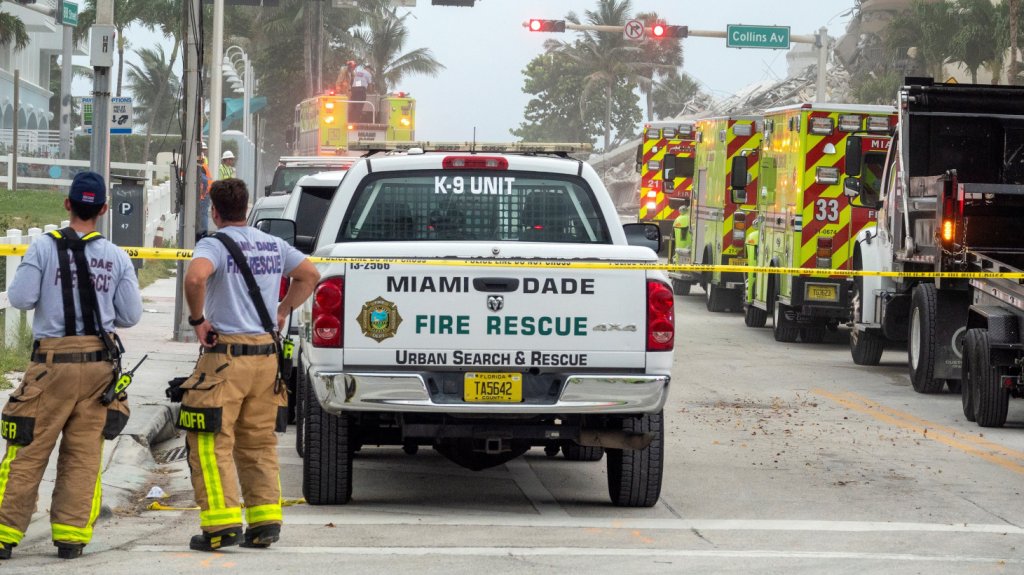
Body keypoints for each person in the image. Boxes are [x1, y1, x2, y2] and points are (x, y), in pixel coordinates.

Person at [0, 171, 142, 560]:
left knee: (28, 449)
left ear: (68, 204)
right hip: (99, 370)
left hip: (51, 366)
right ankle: (71, 537)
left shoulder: (44, 248)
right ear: (104, 210)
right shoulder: (117, 256)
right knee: (84, 454)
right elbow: (130, 315)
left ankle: (4, 534)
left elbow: (21, 298)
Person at [181, 178, 319, 552]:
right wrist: (284, 309)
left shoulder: (213, 245)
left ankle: (221, 525)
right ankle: (264, 523)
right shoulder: (273, 244)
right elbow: (310, 275)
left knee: (210, 441)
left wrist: (198, 321)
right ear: (246, 208)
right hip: (266, 358)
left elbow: (195, 277)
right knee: (258, 442)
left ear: (214, 211)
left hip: (226, 359)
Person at [197, 142, 213, 239]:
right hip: (205, 193)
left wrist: (202, 194)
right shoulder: (204, 163)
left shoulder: (201, 165)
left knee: (203, 215)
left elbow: (204, 181)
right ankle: (203, 233)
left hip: (204, 194)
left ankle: (203, 235)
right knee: (203, 214)